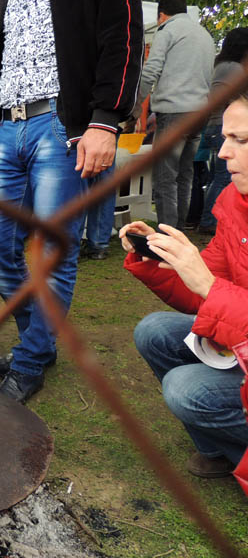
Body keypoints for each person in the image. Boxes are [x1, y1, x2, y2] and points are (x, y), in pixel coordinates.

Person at [0, 0, 143, 402]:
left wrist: (106, 120)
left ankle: (30, 360)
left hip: (61, 124)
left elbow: (122, 32)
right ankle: (40, 341)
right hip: (9, 127)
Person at [119, 90, 248, 480]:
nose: (223, 153)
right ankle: (221, 451)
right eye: (225, 137)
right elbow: (199, 294)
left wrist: (209, 285)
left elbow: (211, 289)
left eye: (240, 140)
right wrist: (156, 259)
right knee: (154, 330)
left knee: (186, 388)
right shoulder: (232, 200)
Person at [133, 0, 215, 230]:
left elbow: (151, 71)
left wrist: (136, 105)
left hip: (174, 111)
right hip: (200, 112)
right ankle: (178, 230)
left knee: (165, 177)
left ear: (161, 15)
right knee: (185, 174)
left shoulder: (167, 30)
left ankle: (168, 235)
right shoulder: (204, 35)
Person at [197, 27, 248, 235]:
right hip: (223, 126)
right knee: (224, 177)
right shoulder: (235, 69)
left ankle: (209, 219)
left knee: (218, 176)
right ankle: (210, 220)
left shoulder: (222, 66)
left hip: (215, 126)